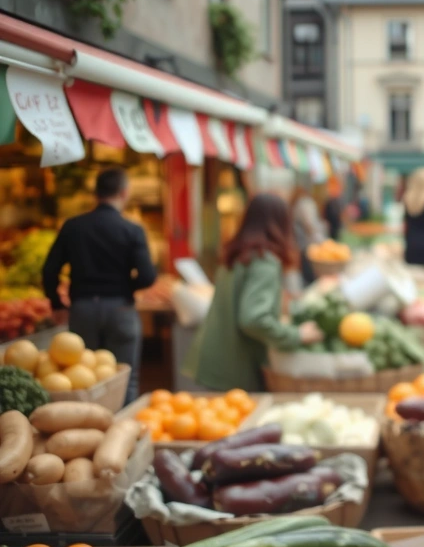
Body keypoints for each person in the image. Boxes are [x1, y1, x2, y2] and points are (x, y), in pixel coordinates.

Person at [183, 193, 324, 392]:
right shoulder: (264, 261)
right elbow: (253, 318)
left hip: (217, 357)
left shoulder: (237, 255)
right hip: (235, 366)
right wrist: (296, 335)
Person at [42, 167, 156, 406]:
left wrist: (57, 303)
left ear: (96, 194)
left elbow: (49, 270)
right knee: (126, 377)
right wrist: (125, 287)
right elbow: (147, 276)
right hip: (121, 309)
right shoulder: (132, 230)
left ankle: (88, 425)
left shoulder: (73, 226)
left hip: (82, 309)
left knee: (82, 379)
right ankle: (122, 427)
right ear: (124, 193)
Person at [292, 191, 328, 288]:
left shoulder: (300, 204)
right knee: (309, 274)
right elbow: (310, 226)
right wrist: (321, 241)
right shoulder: (305, 204)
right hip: (306, 246)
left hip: (304, 245)